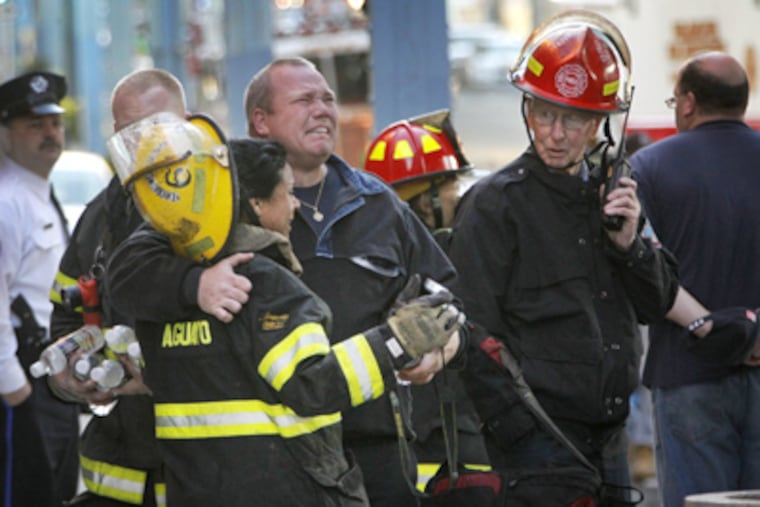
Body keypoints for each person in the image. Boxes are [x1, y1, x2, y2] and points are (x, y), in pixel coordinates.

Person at [106, 56, 464, 507]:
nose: (323, 110)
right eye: (304, 100)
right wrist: (196, 284)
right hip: (283, 462)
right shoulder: (212, 201)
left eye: (327, 99)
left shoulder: (381, 205)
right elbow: (127, 271)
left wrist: (438, 349)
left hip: (379, 449)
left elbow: (448, 299)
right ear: (260, 121)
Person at [446, 10, 679, 497]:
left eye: (573, 119)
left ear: (599, 123)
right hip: (537, 448)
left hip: (609, 442)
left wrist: (628, 245)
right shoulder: (493, 206)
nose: (555, 133)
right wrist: (518, 433)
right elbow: (472, 330)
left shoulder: (616, 201)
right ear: (527, 110)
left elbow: (657, 305)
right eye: (544, 114)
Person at [48, 68, 189, 507]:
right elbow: (65, 318)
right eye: (130, 132)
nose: (144, 144)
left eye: (157, 128)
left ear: (189, 123)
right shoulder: (102, 217)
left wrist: (163, 376)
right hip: (120, 477)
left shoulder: (228, 210)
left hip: (206, 473)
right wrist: (69, 378)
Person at [631, 51, 760, 506]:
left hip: (688, 374)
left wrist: (707, 326)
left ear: (687, 102)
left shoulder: (648, 168)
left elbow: (640, 271)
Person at [364, 110, 490, 492]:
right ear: (423, 201)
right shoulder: (428, 268)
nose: (459, 193)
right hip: (439, 439)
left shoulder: (384, 259)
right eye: (450, 184)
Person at [0, 70, 80, 506]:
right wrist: (17, 393)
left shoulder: (35, 193)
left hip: (50, 381)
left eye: (55, 123)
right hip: (22, 386)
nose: (50, 133)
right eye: (34, 125)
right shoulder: (7, 202)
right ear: (6, 134)